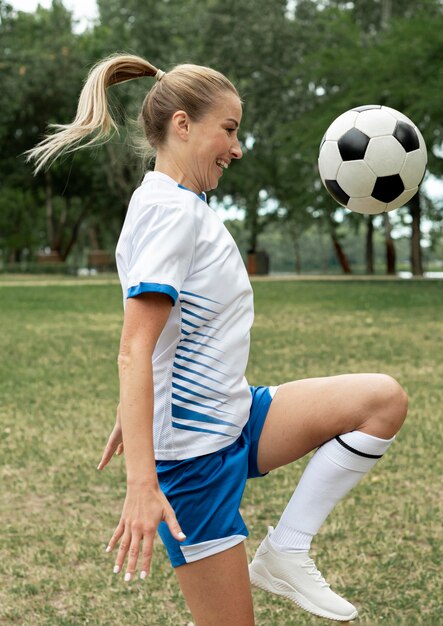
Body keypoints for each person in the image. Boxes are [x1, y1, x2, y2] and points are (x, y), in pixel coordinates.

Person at [27, 54, 408, 626]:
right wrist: (142, 483)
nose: (237, 147)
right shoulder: (169, 212)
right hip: (191, 462)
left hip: (235, 415)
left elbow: (161, 338)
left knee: (381, 400)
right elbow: (133, 346)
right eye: (228, 130)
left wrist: (139, 406)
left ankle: (285, 551)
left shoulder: (183, 204)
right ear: (183, 125)